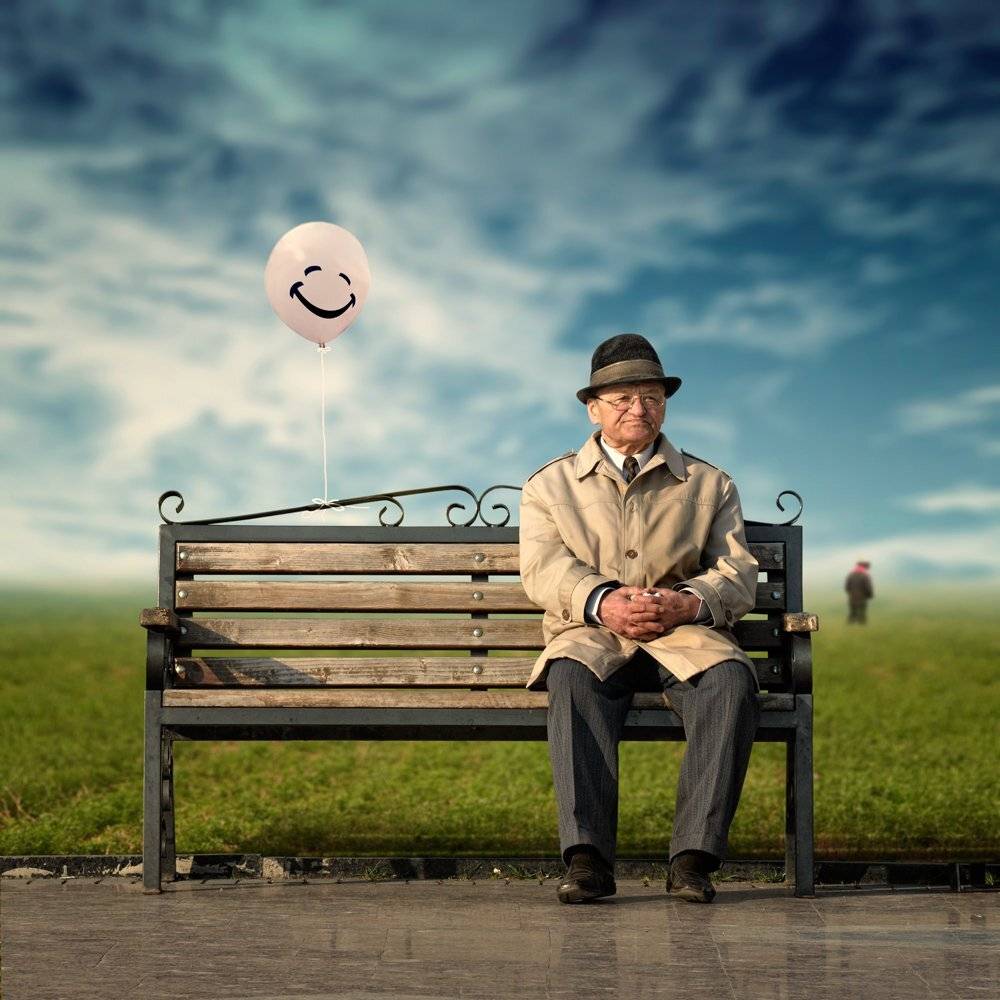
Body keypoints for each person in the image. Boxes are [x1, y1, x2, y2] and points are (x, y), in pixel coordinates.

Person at [519, 333, 760, 905]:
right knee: (572, 679)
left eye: (651, 397)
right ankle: (587, 862)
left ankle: (692, 861)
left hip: (685, 636)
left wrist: (687, 601)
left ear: (665, 403)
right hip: (594, 636)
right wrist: (603, 600)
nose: (639, 409)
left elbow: (738, 571)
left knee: (730, 682)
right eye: (623, 397)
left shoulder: (710, 483)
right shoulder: (548, 485)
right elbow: (543, 567)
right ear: (593, 407)